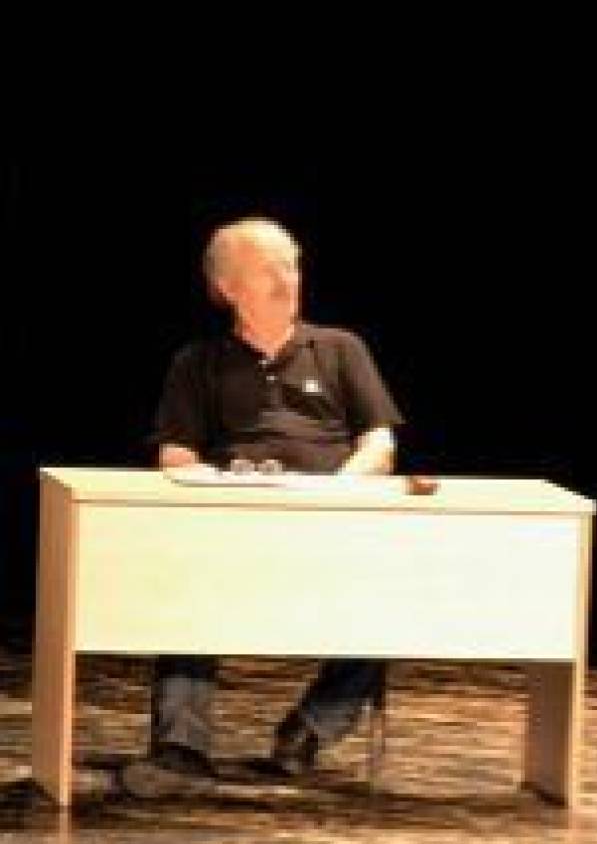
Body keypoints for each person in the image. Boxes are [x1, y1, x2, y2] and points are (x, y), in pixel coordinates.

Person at [118, 216, 405, 798]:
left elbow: (380, 443)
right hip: (232, 531)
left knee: (388, 600)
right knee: (184, 586)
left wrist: (336, 491)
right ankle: (180, 748)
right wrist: (224, 486)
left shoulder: (341, 349)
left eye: (291, 266)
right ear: (228, 288)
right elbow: (176, 455)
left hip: (331, 526)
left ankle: (308, 730)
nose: (286, 280)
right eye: (268, 270)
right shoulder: (197, 362)